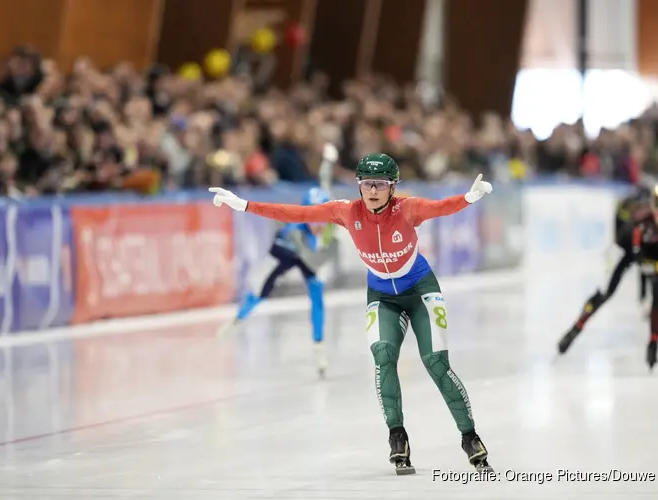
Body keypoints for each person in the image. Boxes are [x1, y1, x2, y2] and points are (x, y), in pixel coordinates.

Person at [209, 153, 494, 475]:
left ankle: (469, 437)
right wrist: (244, 205)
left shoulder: (408, 208)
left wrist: (469, 198)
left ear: (392, 187)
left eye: (381, 185)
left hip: (420, 291)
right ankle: (397, 436)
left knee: (436, 363)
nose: (373, 191)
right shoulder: (345, 212)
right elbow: (296, 213)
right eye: (367, 184)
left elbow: (441, 207)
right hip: (383, 295)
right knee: (383, 357)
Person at [558, 183, 658, 370]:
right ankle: (575, 329)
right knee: (606, 292)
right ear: (653, 211)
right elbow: (640, 261)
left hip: (654, 246)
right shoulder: (641, 221)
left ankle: (654, 342)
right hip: (625, 247)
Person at [218, 187, 338, 377]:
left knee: (316, 293)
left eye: (322, 218)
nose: (319, 225)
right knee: (260, 293)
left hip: (302, 253)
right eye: (314, 218)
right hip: (288, 253)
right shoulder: (293, 232)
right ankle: (237, 319)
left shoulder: (327, 228)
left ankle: (319, 346)